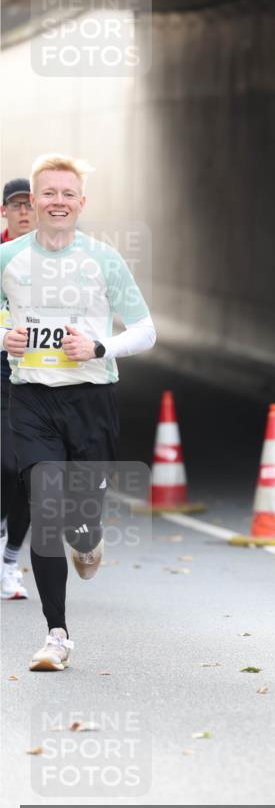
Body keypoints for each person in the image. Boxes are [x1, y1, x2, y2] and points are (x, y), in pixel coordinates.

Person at [0, 154, 156, 672]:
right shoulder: (8, 258)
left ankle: (88, 537)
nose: (58, 202)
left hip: (91, 399)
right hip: (32, 399)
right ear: (34, 200)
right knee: (45, 508)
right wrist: (5, 337)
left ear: (81, 203)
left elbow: (146, 330)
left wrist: (99, 347)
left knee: (81, 520)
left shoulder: (103, 259)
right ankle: (57, 635)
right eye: (48, 193)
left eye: (68, 194)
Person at [1, 178, 35, 600]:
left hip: (39, 375)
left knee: (31, 475)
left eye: (30, 204)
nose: (24, 211)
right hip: (1, 370)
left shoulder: (55, 258)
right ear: (4, 211)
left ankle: (10, 562)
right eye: (17, 204)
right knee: (6, 466)